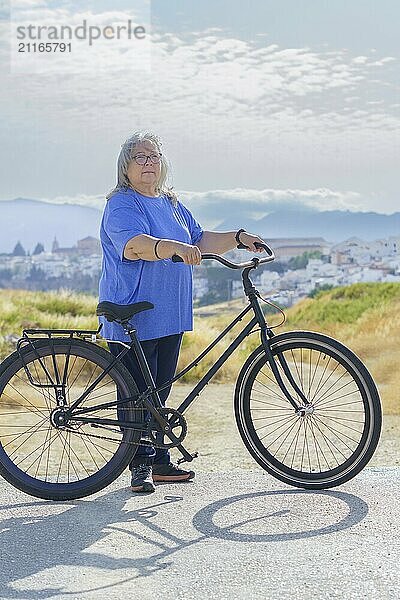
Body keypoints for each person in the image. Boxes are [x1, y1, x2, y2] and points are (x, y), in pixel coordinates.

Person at [98, 130, 266, 493]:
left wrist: (237, 238)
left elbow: (200, 238)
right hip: (133, 311)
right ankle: (137, 466)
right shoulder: (122, 204)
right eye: (140, 157)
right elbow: (134, 246)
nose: (148, 163)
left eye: (154, 156)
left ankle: (158, 460)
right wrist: (170, 246)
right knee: (136, 394)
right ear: (125, 167)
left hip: (169, 313)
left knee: (159, 394)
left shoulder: (171, 202)